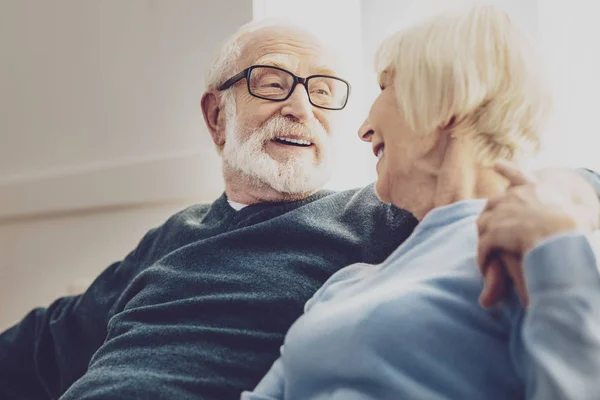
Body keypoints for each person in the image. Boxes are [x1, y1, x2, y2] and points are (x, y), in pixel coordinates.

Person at [0, 17, 598, 400]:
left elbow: (483, 178)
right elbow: (44, 342)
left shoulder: (378, 217)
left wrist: (564, 198)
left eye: (321, 91)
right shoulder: (174, 236)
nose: (302, 108)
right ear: (216, 116)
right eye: (271, 83)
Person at [242, 5, 600, 400]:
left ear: (445, 99)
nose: (363, 130)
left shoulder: (544, 246)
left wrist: (559, 260)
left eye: (384, 88)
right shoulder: (344, 285)